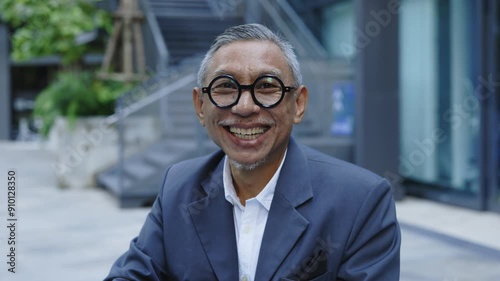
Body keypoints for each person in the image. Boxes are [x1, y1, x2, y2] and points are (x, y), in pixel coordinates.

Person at [105, 23, 401, 281]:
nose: (244, 107)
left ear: (298, 104)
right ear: (200, 106)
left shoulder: (361, 200)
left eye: (267, 85)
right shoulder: (178, 188)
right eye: (225, 86)